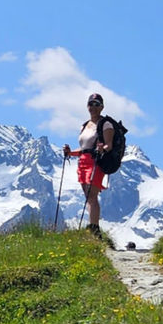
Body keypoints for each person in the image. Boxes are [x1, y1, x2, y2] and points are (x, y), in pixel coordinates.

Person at [61, 93, 122, 234]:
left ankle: (94, 228)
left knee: (92, 195)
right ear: (87, 106)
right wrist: (70, 153)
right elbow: (84, 148)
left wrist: (101, 149)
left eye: (96, 104)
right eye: (91, 104)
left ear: (102, 107)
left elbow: (109, 145)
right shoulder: (85, 126)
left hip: (96, 161)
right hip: (83, 162)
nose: (93, 107)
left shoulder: (105, 124)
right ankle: (93, 227)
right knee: (88, 196)